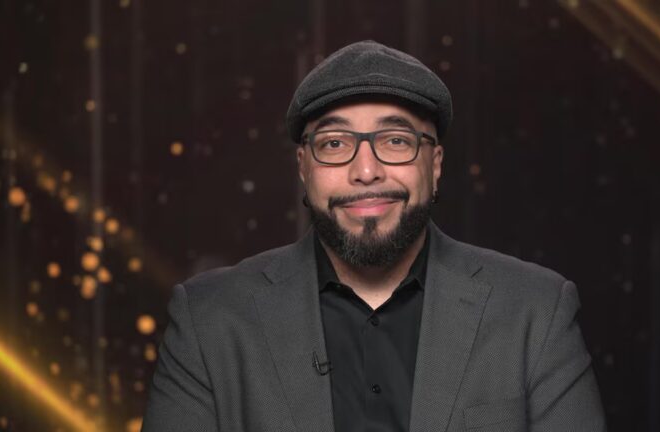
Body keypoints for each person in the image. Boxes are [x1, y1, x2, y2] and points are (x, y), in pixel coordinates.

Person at [142, 40, 606, 432]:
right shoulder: (209, 320)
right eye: (335, 144)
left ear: (435, 165)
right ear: (303, 168)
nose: (366, 171)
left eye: (396, 141)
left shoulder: (536, 311)